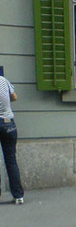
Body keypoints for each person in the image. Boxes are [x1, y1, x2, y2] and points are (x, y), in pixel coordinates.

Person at [0, 74, 24, 204]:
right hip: (8, 123)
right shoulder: (3, 80)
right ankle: (18, 196)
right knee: (11, 160)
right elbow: (14, 97)